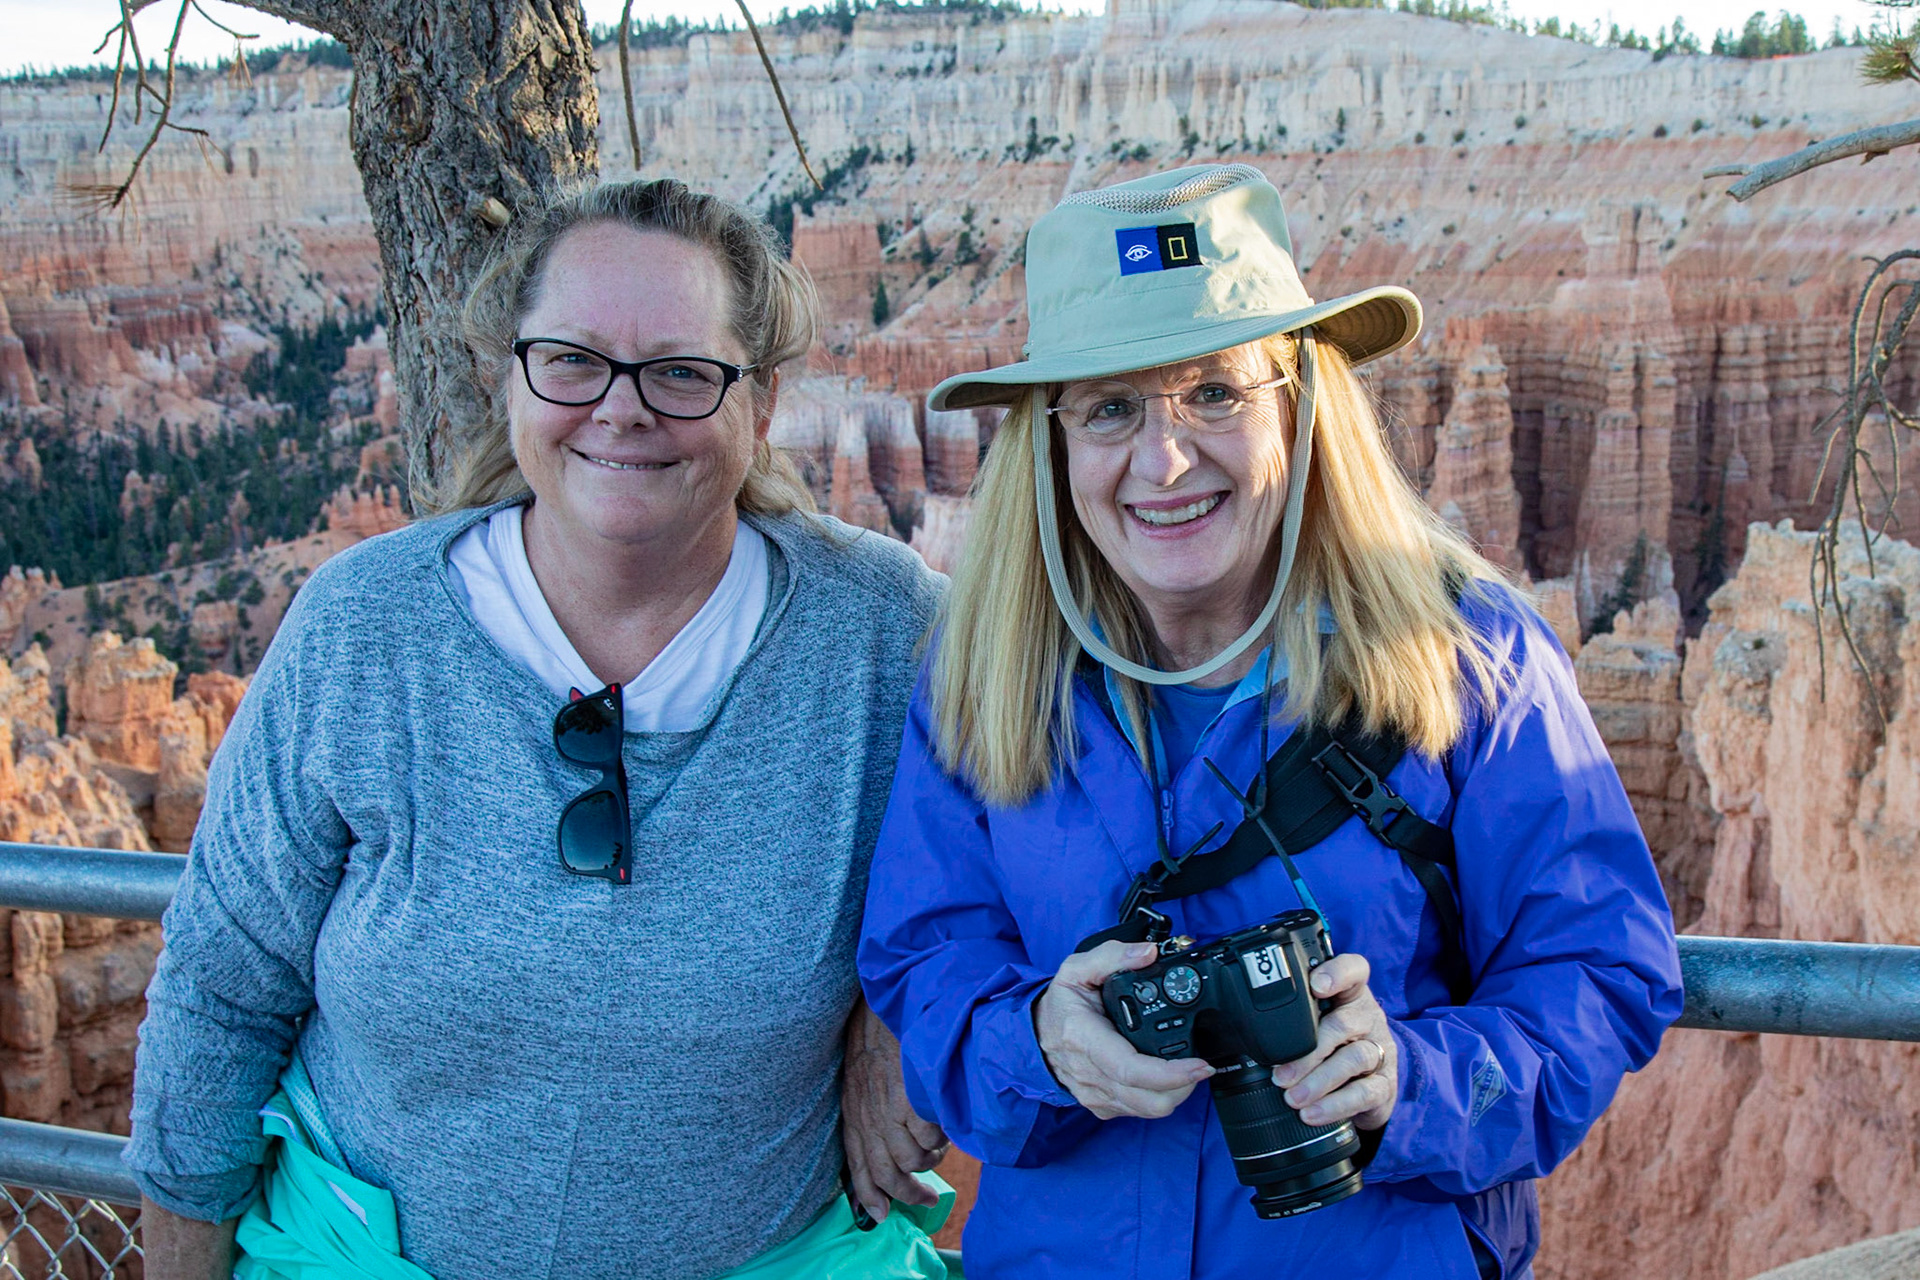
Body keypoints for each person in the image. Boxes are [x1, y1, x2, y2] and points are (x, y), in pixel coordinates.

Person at [858, 164, 1683, 1279]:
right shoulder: (987, 680)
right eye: (1110, 407)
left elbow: (1598, 967)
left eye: (1215, 392)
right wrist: (1039, 1044)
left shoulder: (1469, 660)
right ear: (1051, 445)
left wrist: (1411, 1084)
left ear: (1298, 400)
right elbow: (925, 957)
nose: (1164, 458)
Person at [128, 178, 951, 1279]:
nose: (622, 408)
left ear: (758, 406)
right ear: (507, 376)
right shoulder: (365, 629)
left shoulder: (882, 633)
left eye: (680, 371)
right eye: (571, 360)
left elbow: (1030, 852)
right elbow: (221, 986)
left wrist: (892, 1010)